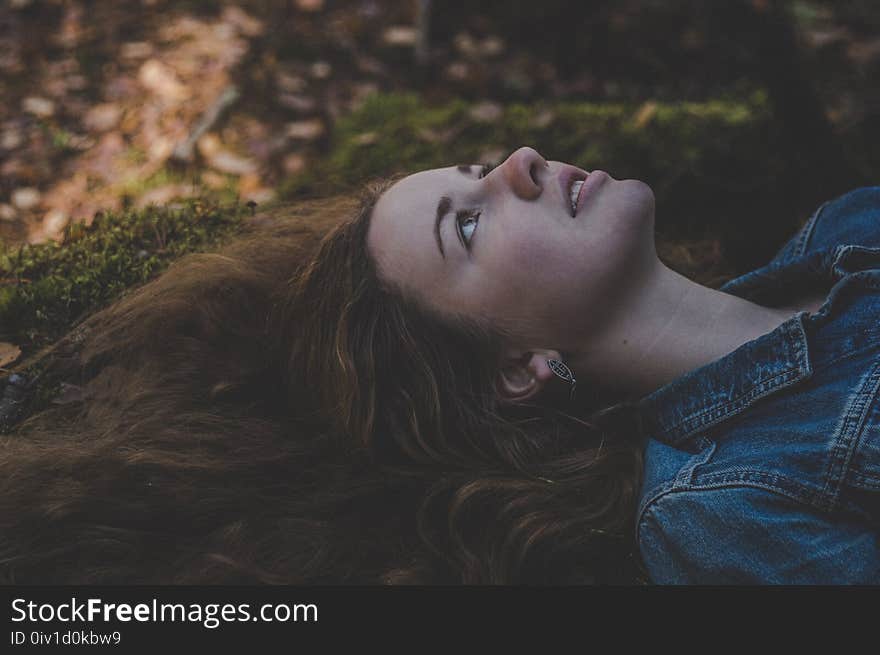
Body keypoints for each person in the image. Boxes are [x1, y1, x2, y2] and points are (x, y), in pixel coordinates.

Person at [0, 147, 877, 584]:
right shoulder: (718, 513)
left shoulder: (850, 224)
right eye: (467, 223)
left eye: (478, 168)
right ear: (515, 369)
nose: (520, 165)